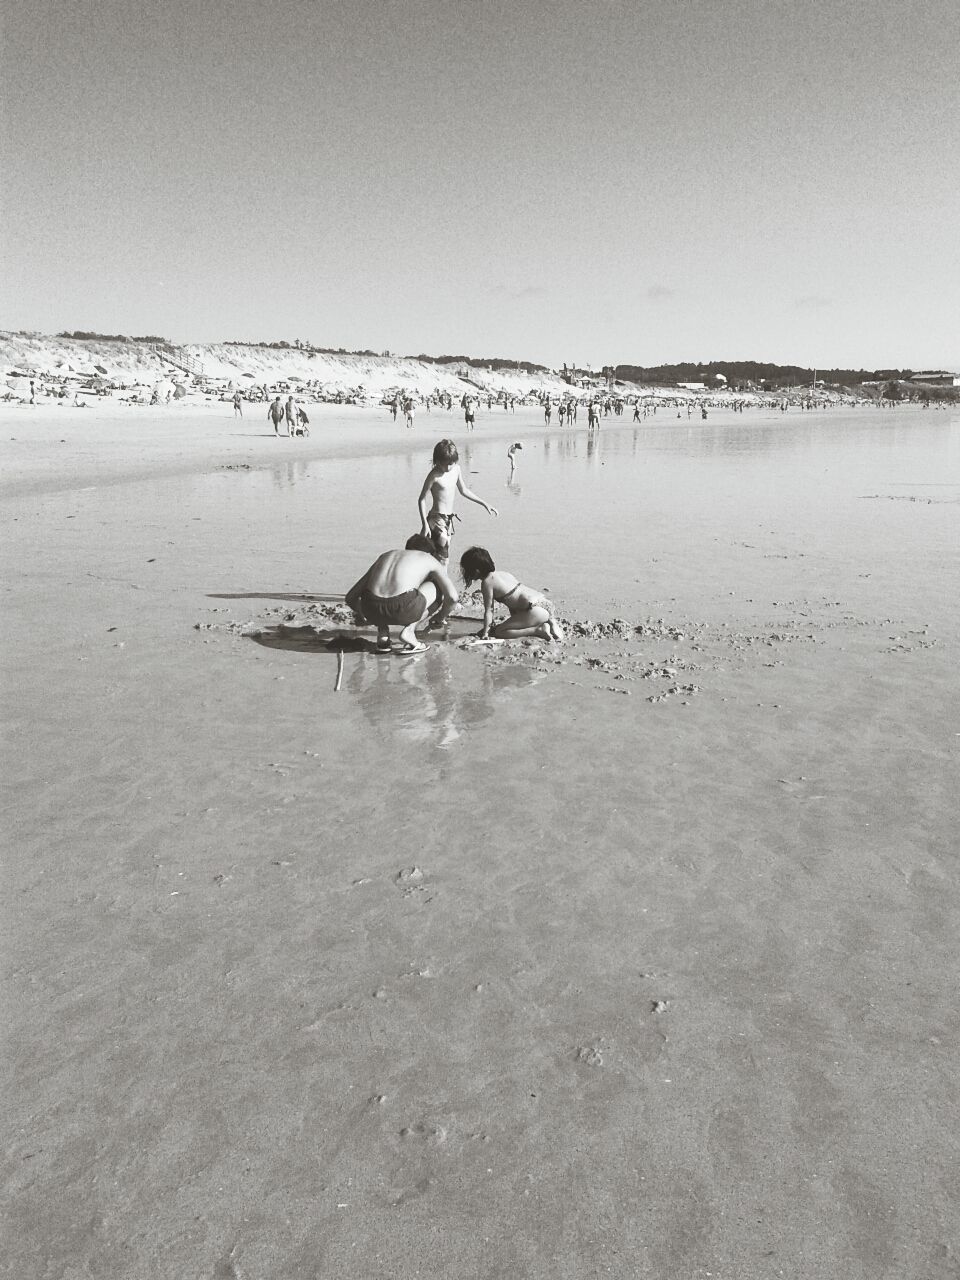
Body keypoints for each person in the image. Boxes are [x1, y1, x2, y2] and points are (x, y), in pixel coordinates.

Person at [345, 545, 459, 654]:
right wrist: (440, 616)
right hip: (403, 607)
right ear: (428, 552)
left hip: (372, 608)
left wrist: (365, 615)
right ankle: (409, 631)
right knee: (439, 587)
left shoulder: (385, 556)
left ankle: (383, 634)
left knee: (380, 591)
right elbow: (452, 597)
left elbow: (350, 597)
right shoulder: (428, 558)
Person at [418, 438, 497, 564]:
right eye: (444, 463)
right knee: (444, 559)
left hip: (449, 520)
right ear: (437, 460)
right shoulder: (434, 475)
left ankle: (433, 580)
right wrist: (424, 524)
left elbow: (464, 490)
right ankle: (441, 582)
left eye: (451, 463)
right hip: (436, 519)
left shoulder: (457, 469)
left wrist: (484, 503)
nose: (448, 467)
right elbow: (421, 499)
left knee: (436, 557)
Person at [460, 546, 564, 642]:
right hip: (545, 604)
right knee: (517, 619)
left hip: (535, 610)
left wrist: (486, 632)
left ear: (476, 571)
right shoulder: (504, 574)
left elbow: (489, 611)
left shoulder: (487, 582)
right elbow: (514, 602)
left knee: (499, 632)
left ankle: (538, 630)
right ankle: (550, 621)